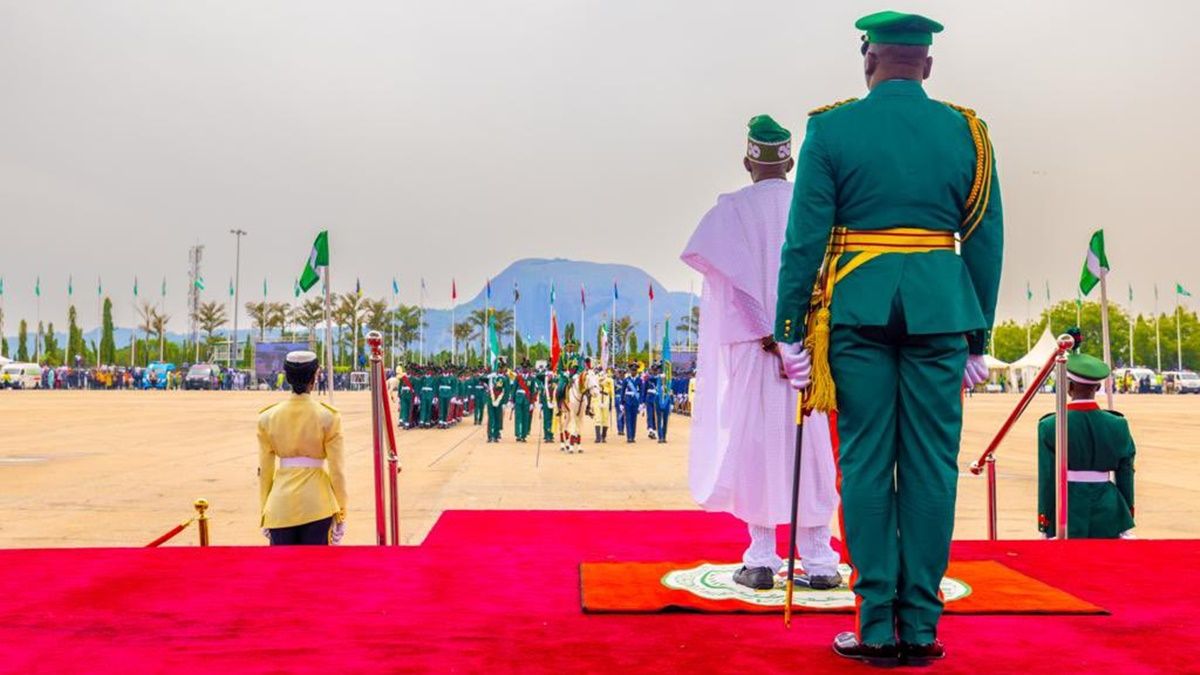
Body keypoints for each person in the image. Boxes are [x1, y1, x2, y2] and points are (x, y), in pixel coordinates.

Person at [774, 11, 1002, 665]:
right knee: (932, 466)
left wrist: (791, 330)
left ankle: (875, 625)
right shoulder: (969, 133)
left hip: (858, 310)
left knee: (866, 466)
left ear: (868, 59)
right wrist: (976, 338)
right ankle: (923, 627)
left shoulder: (832, 127)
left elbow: (804, 239)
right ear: (926, 65)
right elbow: (984, 239)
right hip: (940, 313)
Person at [681, 113, 841, 593]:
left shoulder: (731, 210)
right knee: (810, 447)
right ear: (791, 160)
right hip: (807, 348)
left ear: (747, 162)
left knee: (756, 445)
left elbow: (728, 275)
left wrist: (768, 331)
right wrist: (792, 331)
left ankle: (762, 557)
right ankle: (818, 559)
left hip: (756, 349)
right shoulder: (812, 206)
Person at [1037, 354, 1136, 538]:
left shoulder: (1050, 426)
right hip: (1108, 506)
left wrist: (1045, 519)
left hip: (1067, 507)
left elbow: (1048, 477)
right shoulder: (1118, 424)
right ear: (1098, 387)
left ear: (1068, 386)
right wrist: (1126, 512)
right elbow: (1126, 473)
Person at [257, 351, 347, 546]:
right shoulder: (329, 417)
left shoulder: (267, 418)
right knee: (315, 572)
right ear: (315, 376)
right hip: (318, 505)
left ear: (287, 376)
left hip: (279, 505)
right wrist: (341, 511)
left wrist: (265, 509)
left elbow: (265, 471)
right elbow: (337, 471)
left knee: (283, 572)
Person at [620, 364, 642, 443]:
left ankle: (633, 436)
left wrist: (641, 403)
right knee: (628, 419)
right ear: (630, 371)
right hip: (628, 401)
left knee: (634, 419)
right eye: (632, 370)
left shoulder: (639, 380)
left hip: (635, 401)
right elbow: (622, 391)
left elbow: (641, 392)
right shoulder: (626, 380)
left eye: (635, 370)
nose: (634, 372)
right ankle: (629, 437)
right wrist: (621, 403)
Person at [486, 369, 508, 443]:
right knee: (491, 418)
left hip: (499, 400)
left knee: (497, 418)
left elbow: (502, 389)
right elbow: (480, 378)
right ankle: (489, 435)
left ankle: (495, 435)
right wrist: (488, 377)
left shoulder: (502, 379)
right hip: (490, 400)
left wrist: (505, 402)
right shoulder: (490, 378)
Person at [594, 367, 614, 443]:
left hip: (606, 398)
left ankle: (603, 436)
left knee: (605, 418)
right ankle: (598, 437)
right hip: (597, 398)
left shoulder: (610, 380)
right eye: (599, 369)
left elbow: (612, 392)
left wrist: (612, 404)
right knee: (597, 417)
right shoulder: (595, 378)